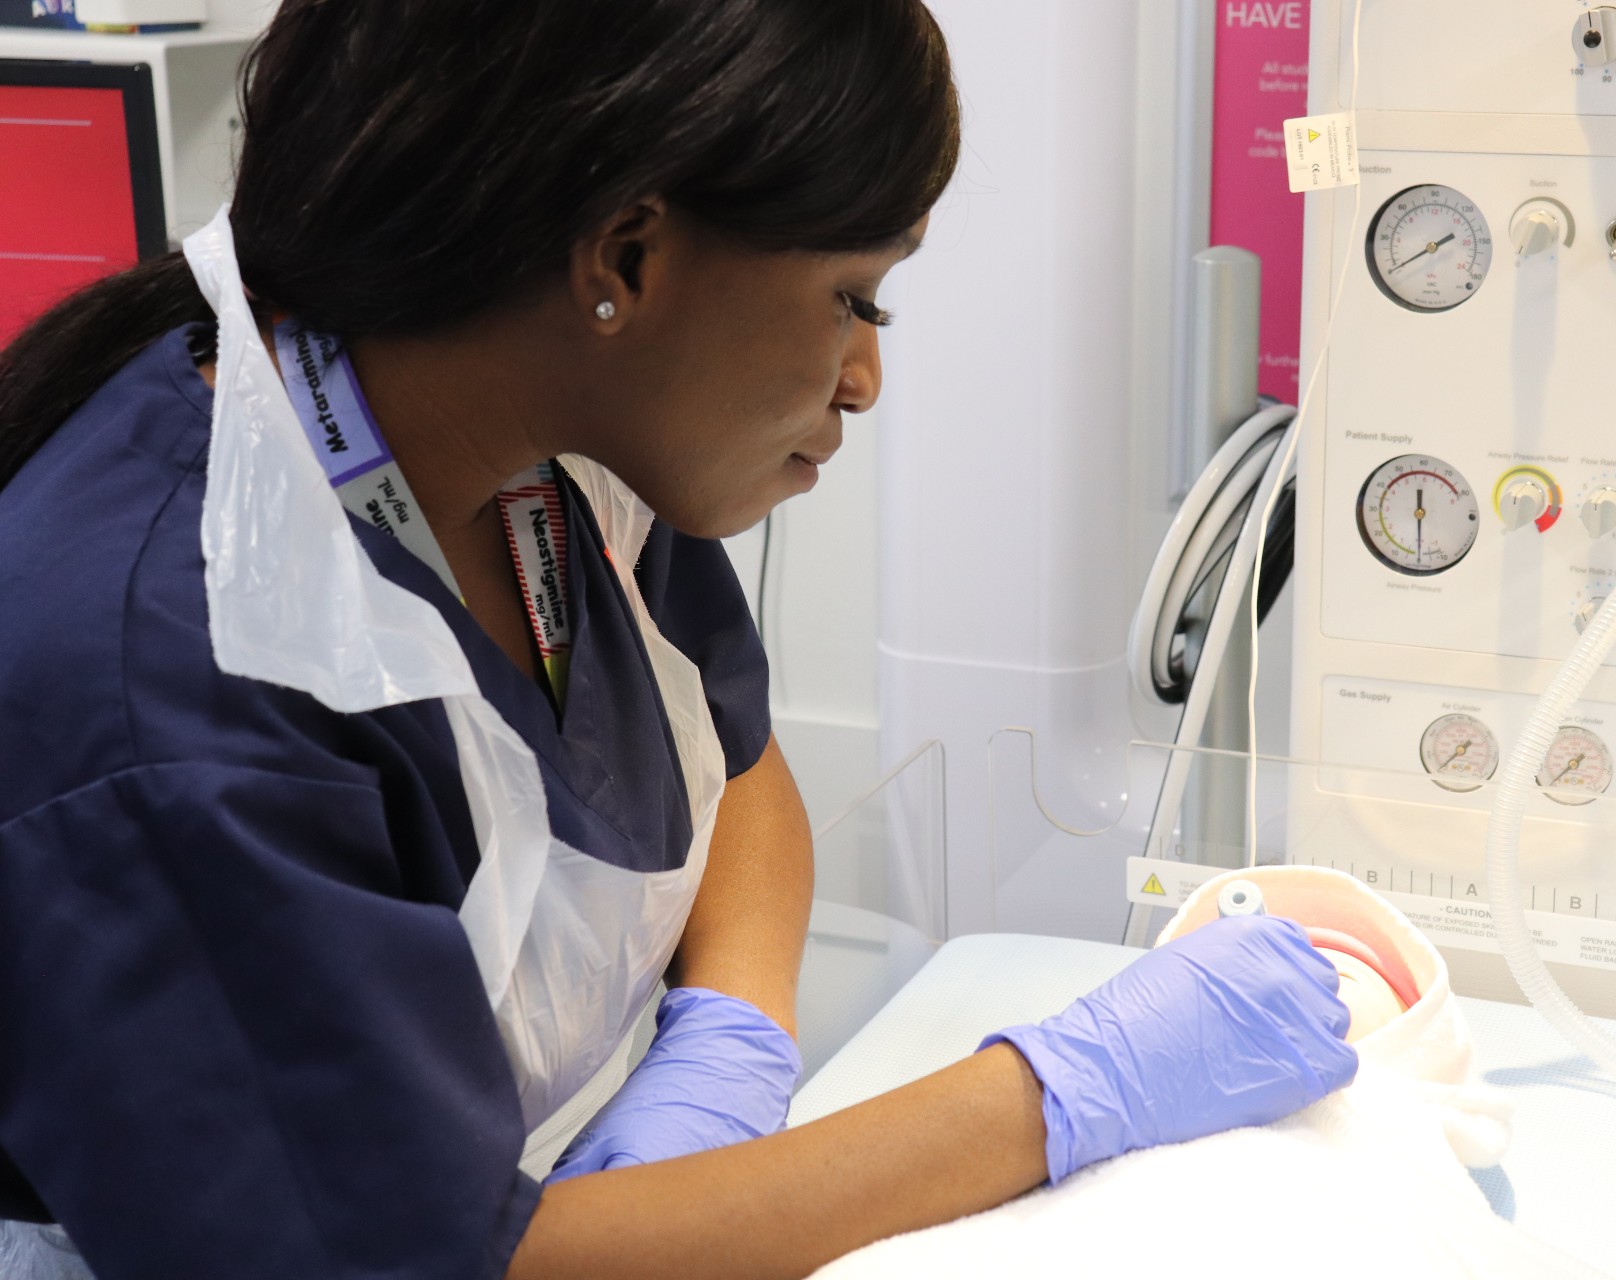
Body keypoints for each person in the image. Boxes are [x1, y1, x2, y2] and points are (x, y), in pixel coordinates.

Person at [0, 2, 1358, 1276]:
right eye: (855, 299)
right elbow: (427, 1261)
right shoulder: (181, 685)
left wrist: (729, 1044)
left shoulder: (541, 434)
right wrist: (1052, 1097)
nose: (866, 379)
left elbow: (731, 767)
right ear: (626, 259)